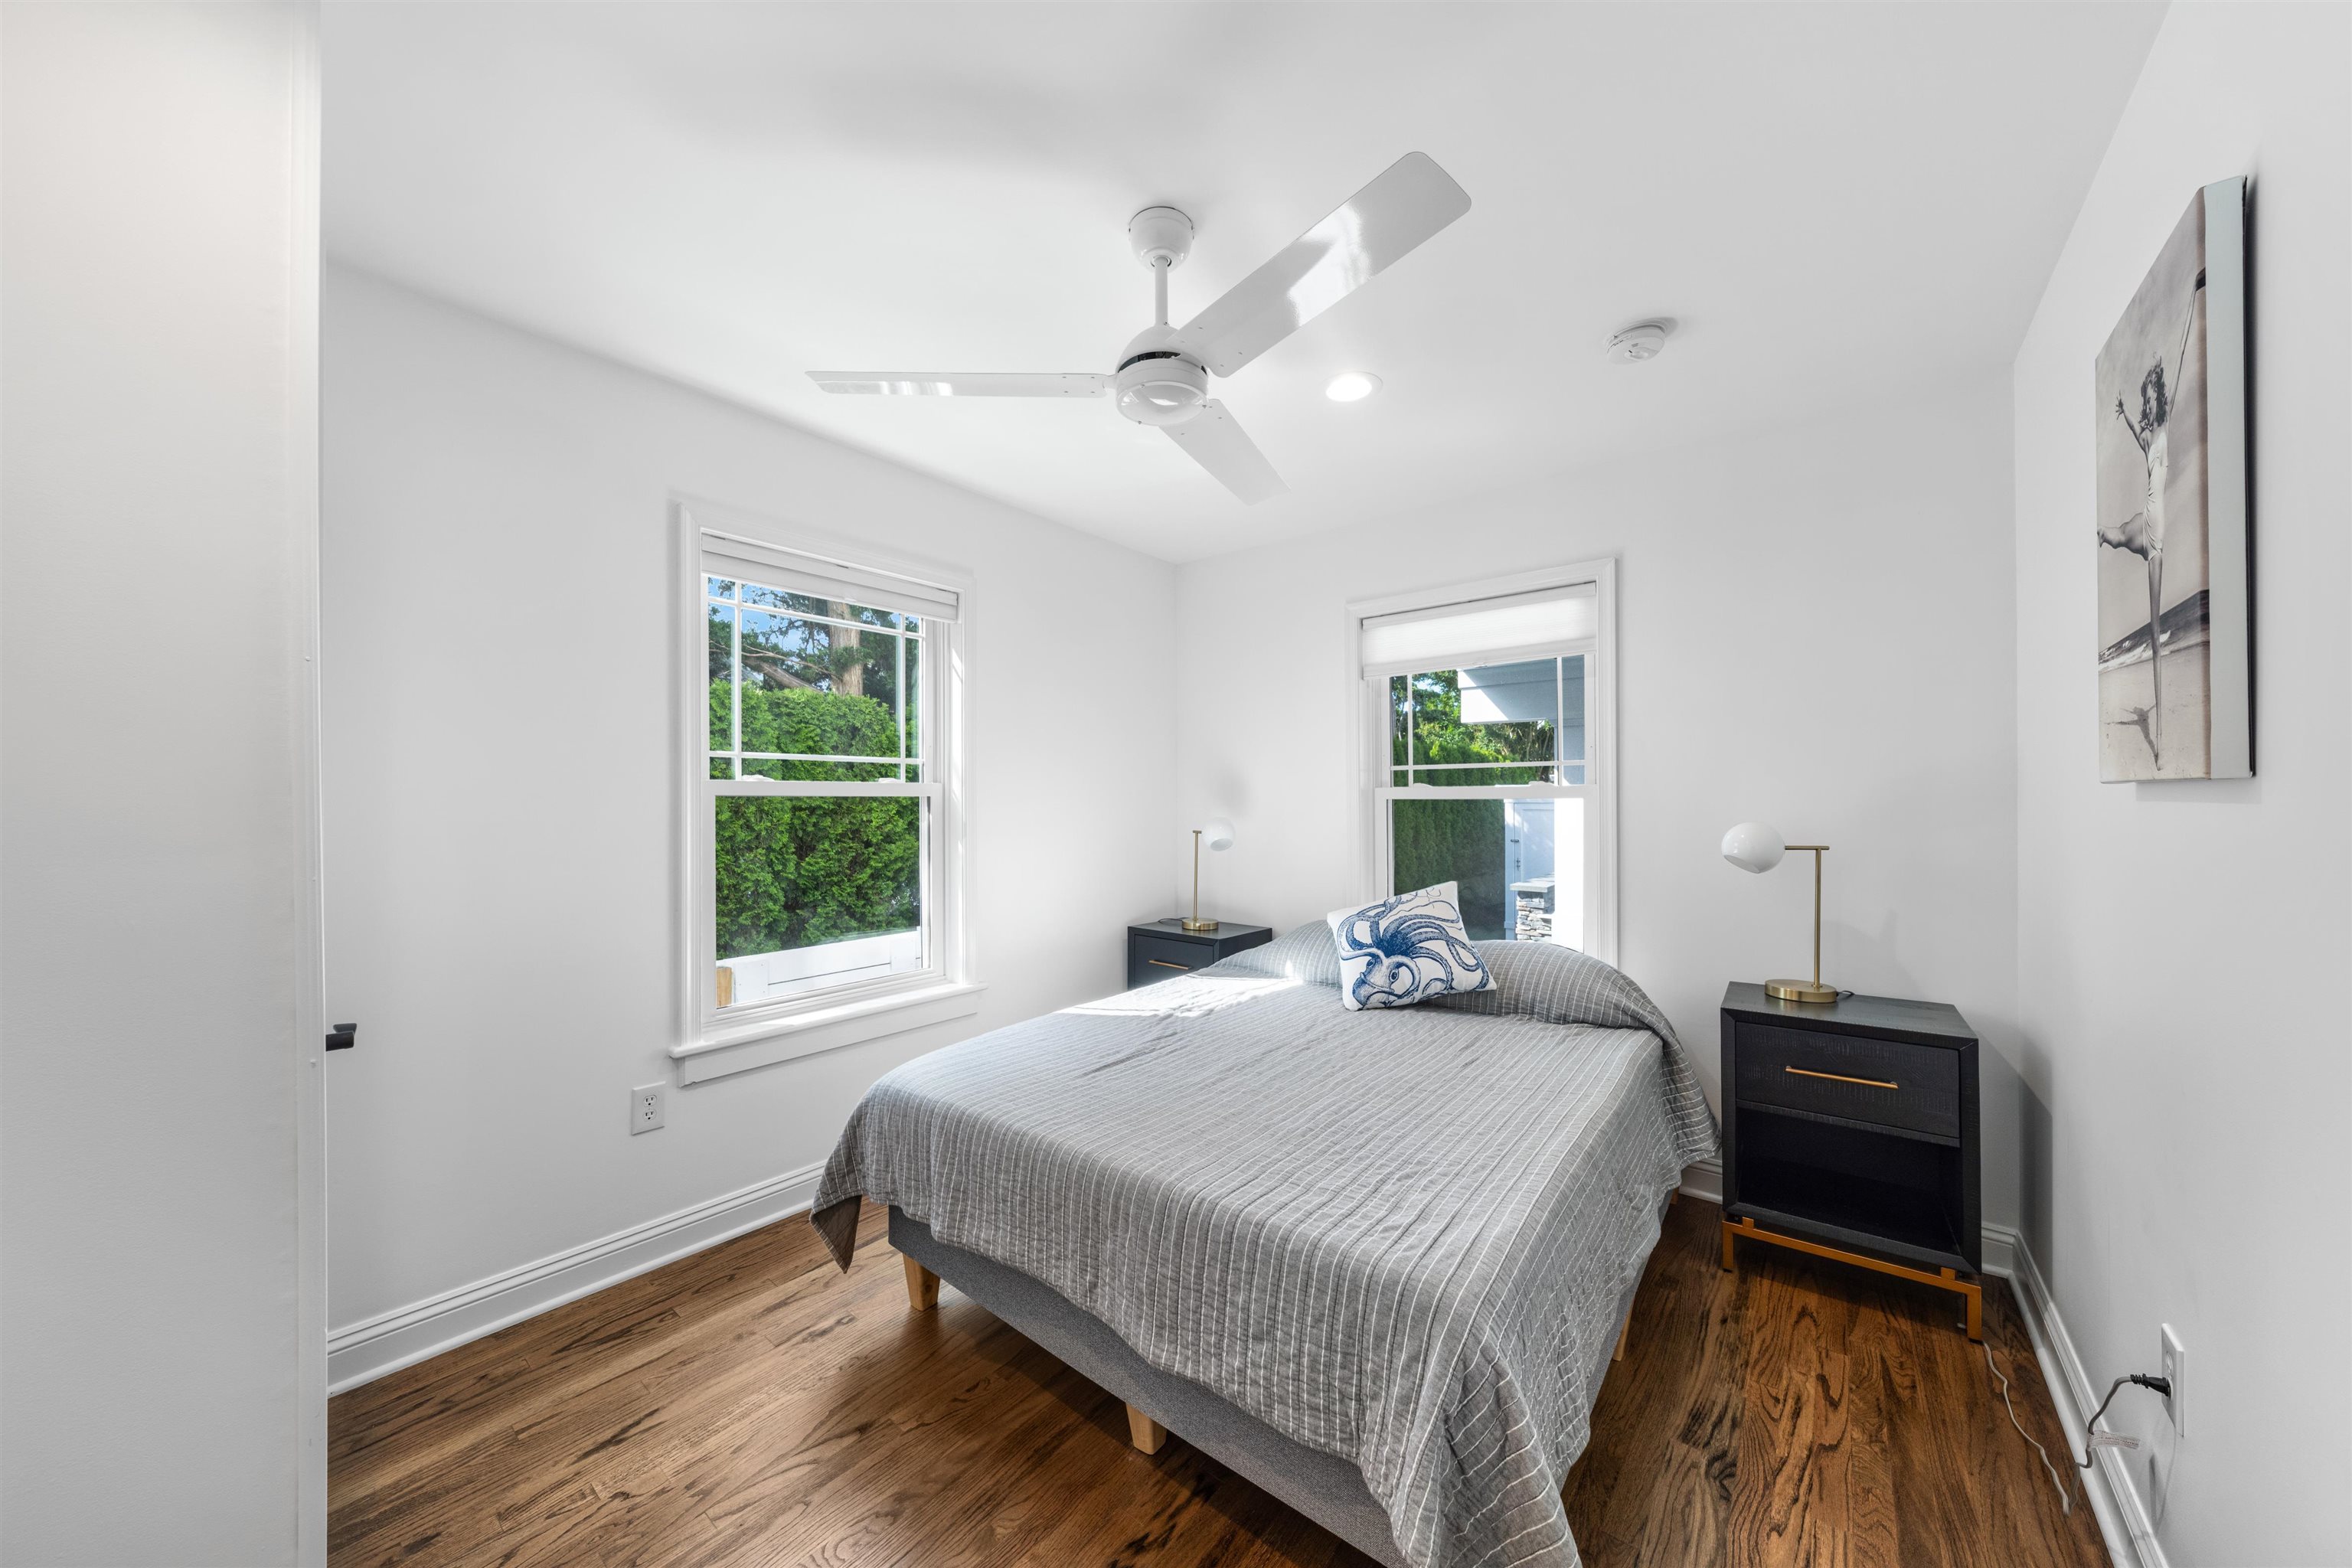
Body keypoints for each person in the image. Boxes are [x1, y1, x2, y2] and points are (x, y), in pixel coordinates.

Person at [2099, 272, 2202, 770]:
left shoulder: (2151, 434)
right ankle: (2159, 740)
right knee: (2154, 609)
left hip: (2147, 526)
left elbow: (2178, 364)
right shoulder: (2156, 435)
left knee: (2120, 536)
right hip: (2151, 528)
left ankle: (2104, 535)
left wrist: (2194, 295)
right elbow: (2177, 364)